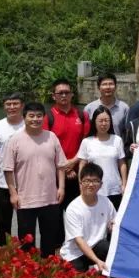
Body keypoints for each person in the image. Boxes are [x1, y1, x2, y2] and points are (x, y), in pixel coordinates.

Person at [0, 101, 67, 256]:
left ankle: (48, 268)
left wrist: (61, 187)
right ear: (24, 118)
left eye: (39, 116)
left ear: (43, 117)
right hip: (25, 200)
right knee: (26, 243)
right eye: (31, 116)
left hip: (50, 198)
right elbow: (8, 170)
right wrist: (13, 194)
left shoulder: (51, 137)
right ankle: (29, 269)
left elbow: (61, 165)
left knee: (49, 240)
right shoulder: (14, 140)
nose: (35, 119)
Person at [59, 162, 117, 272]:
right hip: (75, 253)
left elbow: (114, 223)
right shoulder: (73, 208)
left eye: (95, 181)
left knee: (109, 248)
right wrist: (97, 261)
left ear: (101, 184)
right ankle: (95, 267)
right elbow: (79, 241)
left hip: (96, 246)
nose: (91, 184)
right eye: (87, 181)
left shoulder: (106, 202)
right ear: (80, 183)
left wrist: (113, 227)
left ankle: (104, 273)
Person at [45, 78, 90, 213]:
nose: (64, 95)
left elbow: (87, 143)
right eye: (60, 93)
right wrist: (65, 167)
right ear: (54, 96)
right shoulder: (48, 117)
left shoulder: (82, 115)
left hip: (78, 172)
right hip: (55, 174)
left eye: (67, 92)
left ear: (72, 94)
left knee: (78, 213)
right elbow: (45, 147)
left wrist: (73, 162)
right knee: (55, 217)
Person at [0, 92, 24, 246]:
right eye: (8, 104)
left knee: (25, 223)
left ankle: (27, 253)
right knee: (2, 223)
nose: (12, 107)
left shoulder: (30, 124)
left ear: (22, 105)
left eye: (15, 103)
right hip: (3, 183)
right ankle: (3, 252)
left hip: (25, 182)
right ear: (4, 106)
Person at [76, 106, 127, 209]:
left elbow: (122, 163)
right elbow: (82, 166)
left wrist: (124, 184)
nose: (104, 124)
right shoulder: (87, 142)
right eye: (100, 121)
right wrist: (81, 185)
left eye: (107, 120)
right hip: (93, 189)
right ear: (94, 122)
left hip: (114, 189)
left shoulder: (117, 140)